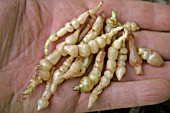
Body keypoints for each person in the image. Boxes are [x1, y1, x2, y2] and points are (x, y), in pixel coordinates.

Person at [0, 0, 170, 113]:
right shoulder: (82, 42)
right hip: (91, 46)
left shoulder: (99, 45)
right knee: (74, 53)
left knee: (84, 52)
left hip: (97, 47)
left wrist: (120, 35)